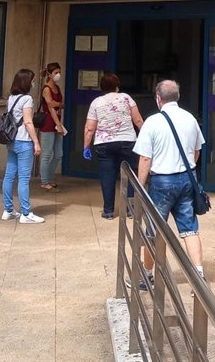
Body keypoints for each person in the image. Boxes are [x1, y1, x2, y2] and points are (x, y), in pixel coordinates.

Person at [134, 79, 206, 283]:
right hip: (187, 179)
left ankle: (147, 275)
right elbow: (197, 151)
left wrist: (140, 185)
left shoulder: (152, 122)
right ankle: (198, 274)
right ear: (178, 97)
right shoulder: (190, 119)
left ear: (158, 98)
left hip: (161, 182)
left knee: (154, 229)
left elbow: (145, 159)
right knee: (190, 229)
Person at [83, 72, 144, 219]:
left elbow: (90, 128)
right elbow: (138, 120)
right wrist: (145, 137)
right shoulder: (126, 98)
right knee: (130, 174)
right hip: (127, 141)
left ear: (102, 87)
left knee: (107, 176)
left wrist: (86, 146)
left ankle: (108, 211)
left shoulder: (96, 102)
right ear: (117, 86)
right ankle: (130, 209)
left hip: (104, 144)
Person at [1, 68, 45, 223]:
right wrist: (36, 142)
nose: (34, 82)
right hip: (24, 141)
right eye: (32, 80)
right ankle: (26, 213)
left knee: (9, 176)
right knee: (24, 178)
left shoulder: (11, 98)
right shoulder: (27, 99)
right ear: (27, 82)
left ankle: (8, 210)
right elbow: (28, 122)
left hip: (12, 141)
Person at [38, 63, 67, 191]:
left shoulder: (57, 88)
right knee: (47, 153)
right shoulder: (46, 89)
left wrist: (57, 104)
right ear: (49, 74)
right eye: (56, 73)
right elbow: (50, 106)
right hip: (48, 123)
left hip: (57, 122)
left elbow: (61, 104)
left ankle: (48, 178)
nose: (58, 75)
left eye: (59, 72)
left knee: (59, 154)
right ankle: (45, 181)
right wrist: (58, 124)